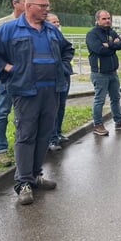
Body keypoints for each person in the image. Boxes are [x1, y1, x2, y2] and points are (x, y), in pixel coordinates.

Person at [0, 0, 74, 205]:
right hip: (25, 92)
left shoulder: (51, 30)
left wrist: (63, 67)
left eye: (47, 5)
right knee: (26, 135)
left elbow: (67, 49)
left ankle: (35, 175)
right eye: (43, 5)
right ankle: (23, 183)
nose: (47, 9)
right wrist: (6, 67)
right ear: (29, 6)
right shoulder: (9, 29)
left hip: (51, 91)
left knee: (44, 135)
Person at [0, 0, 29, 166]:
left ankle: (24, 147)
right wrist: (5, 67)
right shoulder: (0, 25)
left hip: (30, 78)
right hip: (8, 79)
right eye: (27, 2)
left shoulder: (35, 24)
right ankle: (1, 150)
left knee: (26, 115)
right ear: (15, 3)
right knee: (2, 112)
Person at [86, 10, 121, 136]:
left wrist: (109, 45)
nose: (107, 20)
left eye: (108, 18)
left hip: (113, 71)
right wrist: (113, 46)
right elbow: (100, 50)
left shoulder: (111, 32)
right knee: (99, 100)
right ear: (97, 20)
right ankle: (97, 125)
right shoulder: (92, 34)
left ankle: (119, 122)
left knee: (116, 97)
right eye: (104, 19)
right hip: (100, 73)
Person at [46, 13, 73, 151]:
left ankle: (58, 133)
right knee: (52, 108)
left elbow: (68, 50)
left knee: (61, 106)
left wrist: (63, 65)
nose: (57, 24)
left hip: (63, 76)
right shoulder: (44, 36)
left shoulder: (59, 36)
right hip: (50, 79)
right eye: (53, 22)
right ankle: (51, 138)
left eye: (58, 21)